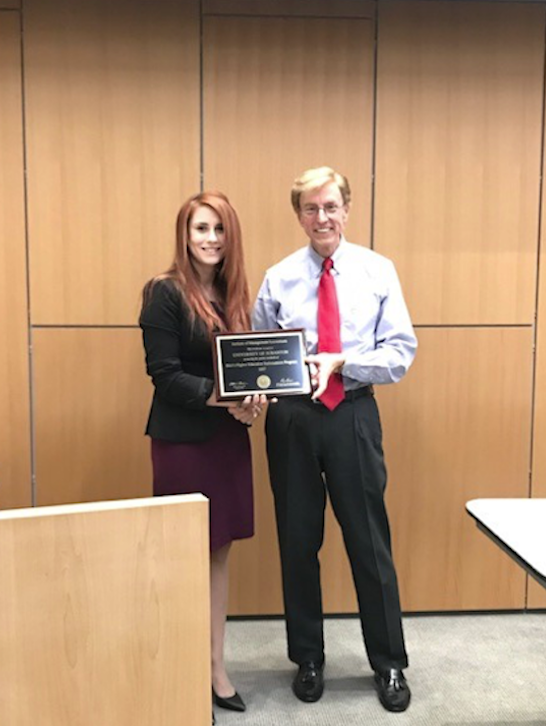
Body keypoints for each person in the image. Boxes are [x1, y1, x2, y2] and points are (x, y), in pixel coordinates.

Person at [251, 166, 418, 713]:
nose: (321, 218)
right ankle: (308, 658)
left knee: (369, 541)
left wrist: (346, 361)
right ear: (298, 215)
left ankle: (389, 662)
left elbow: (400, 353)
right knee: (298, 543)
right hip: (293, 420)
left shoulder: (377, 271)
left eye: (330, 207)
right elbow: (258, 350)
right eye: (309, 209)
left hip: (352, 413)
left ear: (347, 209)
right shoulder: (278, 277)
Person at [140, 191, 269, 719]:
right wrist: (224, 399)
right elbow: (164, 375)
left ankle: (215, 669)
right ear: (184, 234)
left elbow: (246, 372)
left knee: (219, 554)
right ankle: (179, 672)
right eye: (200, 228)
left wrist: (253, 402)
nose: (211, 239)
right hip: (183, 444)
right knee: (184, 556)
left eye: (219, 228)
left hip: (225, 441)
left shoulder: (234, 295)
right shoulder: (164, 292)